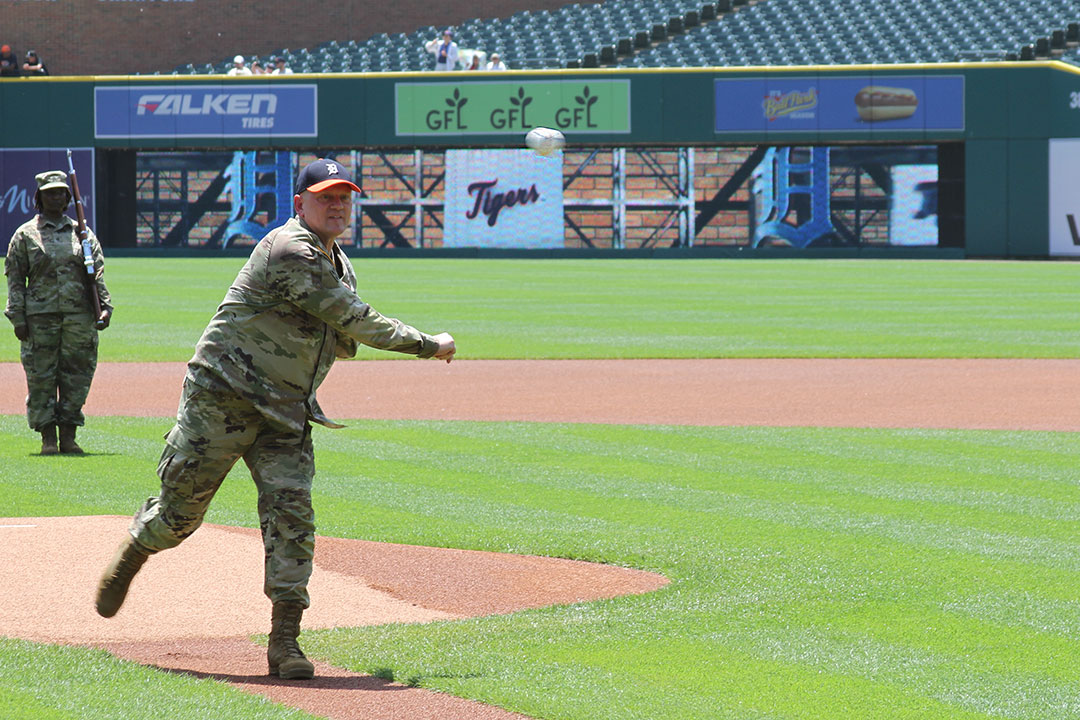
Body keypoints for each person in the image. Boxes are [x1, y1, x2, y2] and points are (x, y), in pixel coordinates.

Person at [94, 158, 456, 681]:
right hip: (223, 398)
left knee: (293, 518)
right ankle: (138, 547)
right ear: (300, 203)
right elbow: (352, 318)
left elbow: (340, 336)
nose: (337, 205)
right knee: (179, 517)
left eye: (344, 197)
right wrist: (427, 343)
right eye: (326, 197)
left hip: (285, 410)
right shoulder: (290, 248)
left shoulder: (338, 261)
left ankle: (285, 641)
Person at [4, 170, 113, 455]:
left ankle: (68, 435)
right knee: (41, 378)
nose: (56, 197)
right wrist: (17, 317)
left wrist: (104, 307)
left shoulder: (82, 233)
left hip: (79, 318)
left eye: (61, 193)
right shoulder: (25, 235)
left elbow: (97, 275)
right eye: (50, 193)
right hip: (39, 319)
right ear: (39, 198)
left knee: (77, 377)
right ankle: (48, 438)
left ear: (68, 198)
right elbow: (15, 280)